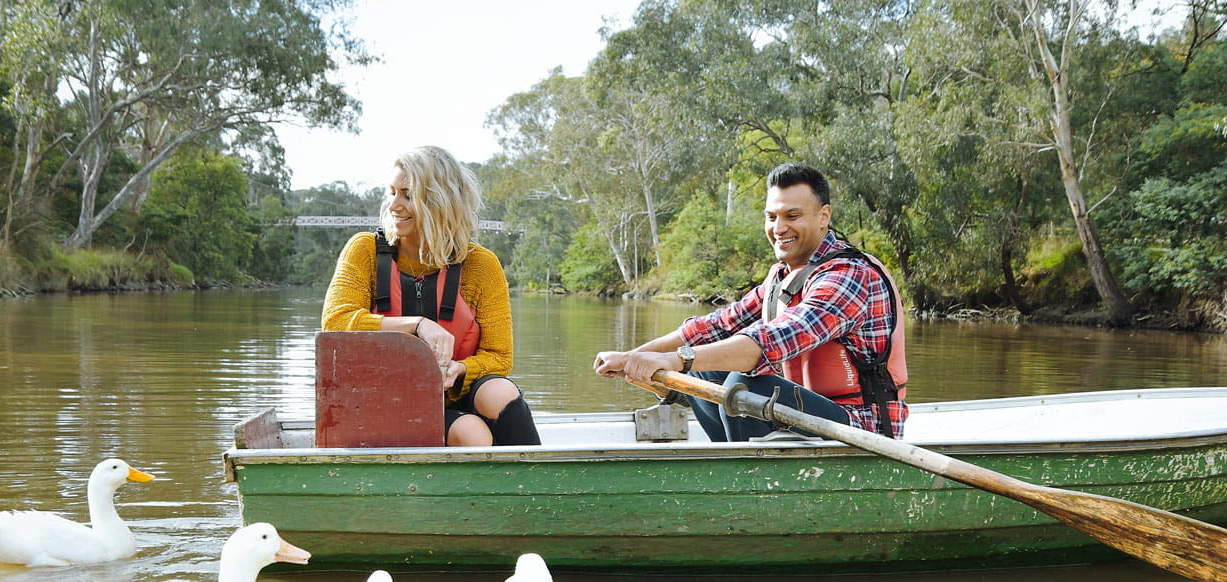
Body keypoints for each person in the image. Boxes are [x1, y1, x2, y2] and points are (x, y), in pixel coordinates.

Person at [592, 163, 907, 441]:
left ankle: (745, 478)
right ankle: (735, 461)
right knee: (707, 371)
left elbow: (772, 340)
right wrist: (634, 357)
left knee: (747, 384)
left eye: (792, 216)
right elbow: (716, 326)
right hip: (812, 422)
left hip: (861, 430)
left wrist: (677, 359)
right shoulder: (786, 275)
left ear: (824, 216)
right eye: (772, 217)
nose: (779, 228)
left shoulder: (849, 276)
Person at [322, 146, 540, 446]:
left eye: (408, 195)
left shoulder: (481, 265)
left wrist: (461, 369)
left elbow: (500, 357)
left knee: (500, 392)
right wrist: (418, 324)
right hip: (381, 404)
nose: (394, 205)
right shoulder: (364, 251)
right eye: (392, 193)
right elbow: (335, 321)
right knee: (472, 434)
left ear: (440, 202)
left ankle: (542, 485)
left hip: (453, 400)